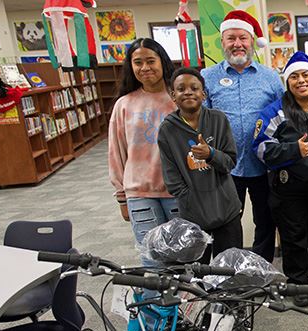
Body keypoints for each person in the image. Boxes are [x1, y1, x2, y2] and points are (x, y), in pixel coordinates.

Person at [253, 52, 308, 307]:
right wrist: (293, 150)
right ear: (287, 81)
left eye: (305, 75)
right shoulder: (275, 112)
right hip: (288, 188)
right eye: (294, 76)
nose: (300, 81)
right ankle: (298, 283)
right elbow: (259, 149)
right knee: (294, 236)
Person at [201, 10, 283, 263]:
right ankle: (228, 271)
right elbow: (198, 121)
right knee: (226, 222)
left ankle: (260, 268)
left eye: (243, 38)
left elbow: (283, 117)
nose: (237, 44)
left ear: (251, 42)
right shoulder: (207, 77)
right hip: (224, 168)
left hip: (263, 165)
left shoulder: (270, 77)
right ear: (223, 42)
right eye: (231, 38)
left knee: (266, 220)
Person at [158, 68, 243, 264]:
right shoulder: (167, 130)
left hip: (226, 210)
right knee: (198, 273)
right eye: (181, 89)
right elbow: (171, 178)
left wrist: (211, 154)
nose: (188, 92)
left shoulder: (218, 119)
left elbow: (229, 162)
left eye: (194, 88)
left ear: (203, 94)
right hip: (193, 216)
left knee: (229, 268)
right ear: (173, 95)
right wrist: (190, 199)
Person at [108, 38, 179, 253]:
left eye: (151, 61)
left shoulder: (179, 98)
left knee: (183, 256)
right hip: (139, 194)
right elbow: (116, 152)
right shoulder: (124, 104)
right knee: (152, 257)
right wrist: (121, 197)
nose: (145, 67)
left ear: (162, 62)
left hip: (177, 191)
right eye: (138, 62)